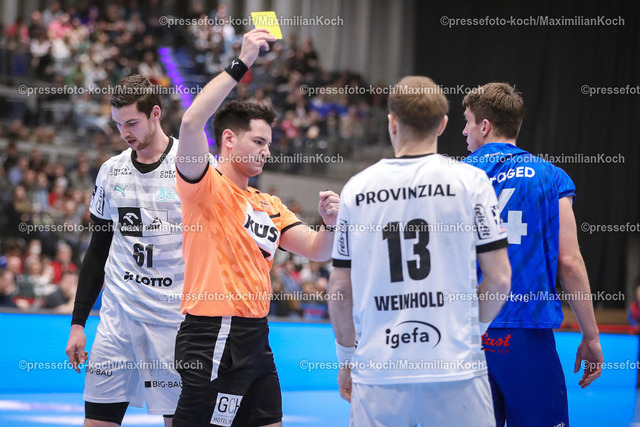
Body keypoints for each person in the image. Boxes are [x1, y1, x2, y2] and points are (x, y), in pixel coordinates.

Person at [171, 29, 339, 427]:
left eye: (269, 143)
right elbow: (192, 121)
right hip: (211, 334)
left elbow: (318, 249)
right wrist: (242, 62)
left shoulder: (270, 204)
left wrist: (330, 224)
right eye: (259, 141)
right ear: (228, 140)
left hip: (256, 337)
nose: (267, 151)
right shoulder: (204, 185)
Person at [328, 76, 511, 427]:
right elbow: (500, 278)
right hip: (455, 366)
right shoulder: (471, 182)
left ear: (392, 123)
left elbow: (339, 288)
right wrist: (474, 330)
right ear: (442, 125)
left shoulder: (356, 189)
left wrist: (346, 357)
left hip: (379, 370)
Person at [461, 82, 603, 427]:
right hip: (526, 331)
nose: (464, 131)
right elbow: (569, 262)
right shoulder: (550, 177)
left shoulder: (454, 178)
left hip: (466, 332)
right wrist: (591, 335)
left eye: (467, 121)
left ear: (484, 126)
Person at [65, 75, 184, 426]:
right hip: (118, 322)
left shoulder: (190, 165)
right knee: (97, 420)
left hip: (173, 323)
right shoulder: (111, 171)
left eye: (131, 123)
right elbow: (97, 251)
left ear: (155, 114)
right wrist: (77, 323)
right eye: (118, 124)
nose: (124, 133)